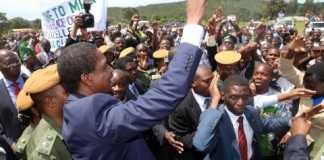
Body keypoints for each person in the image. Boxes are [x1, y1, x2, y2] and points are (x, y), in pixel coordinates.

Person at [57, 0, 207, 159]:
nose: (111, 69)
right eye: (104, 67)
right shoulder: (91, 116)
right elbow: (164, 96)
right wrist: (192, 24)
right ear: (86, 78)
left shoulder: (77, 106)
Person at [193, 75, 291, 160]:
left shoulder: (250, 112)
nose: (240, 102)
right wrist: (214, 100)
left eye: (245, 97)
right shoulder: (214, 118)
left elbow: (266, 124)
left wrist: (290, 121)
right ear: (223, 96)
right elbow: (201, 145)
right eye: (234, 97)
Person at [15, 64, 72, 160]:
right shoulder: (43, 152)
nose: (72, 95)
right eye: (66, 92)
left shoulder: (70, 119)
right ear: (50, 101)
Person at [279, 40, 324, 159]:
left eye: (313, 86)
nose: (307, 89)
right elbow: (286, 69)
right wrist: (290, 51)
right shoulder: (304, 83)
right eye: (306, 84)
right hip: (296, 142)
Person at [167, 65, 214, 160]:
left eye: (212, 79)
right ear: (193, 83)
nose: (212, 84)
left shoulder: (222, 96)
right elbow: (183, 139)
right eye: (206, 81)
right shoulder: (180, 108)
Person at [0, 50, 27, 149]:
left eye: (16, 61)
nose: (15, 65)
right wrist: (10, 143)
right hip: (16, 146)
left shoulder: (31, 82)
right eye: (9, 63)